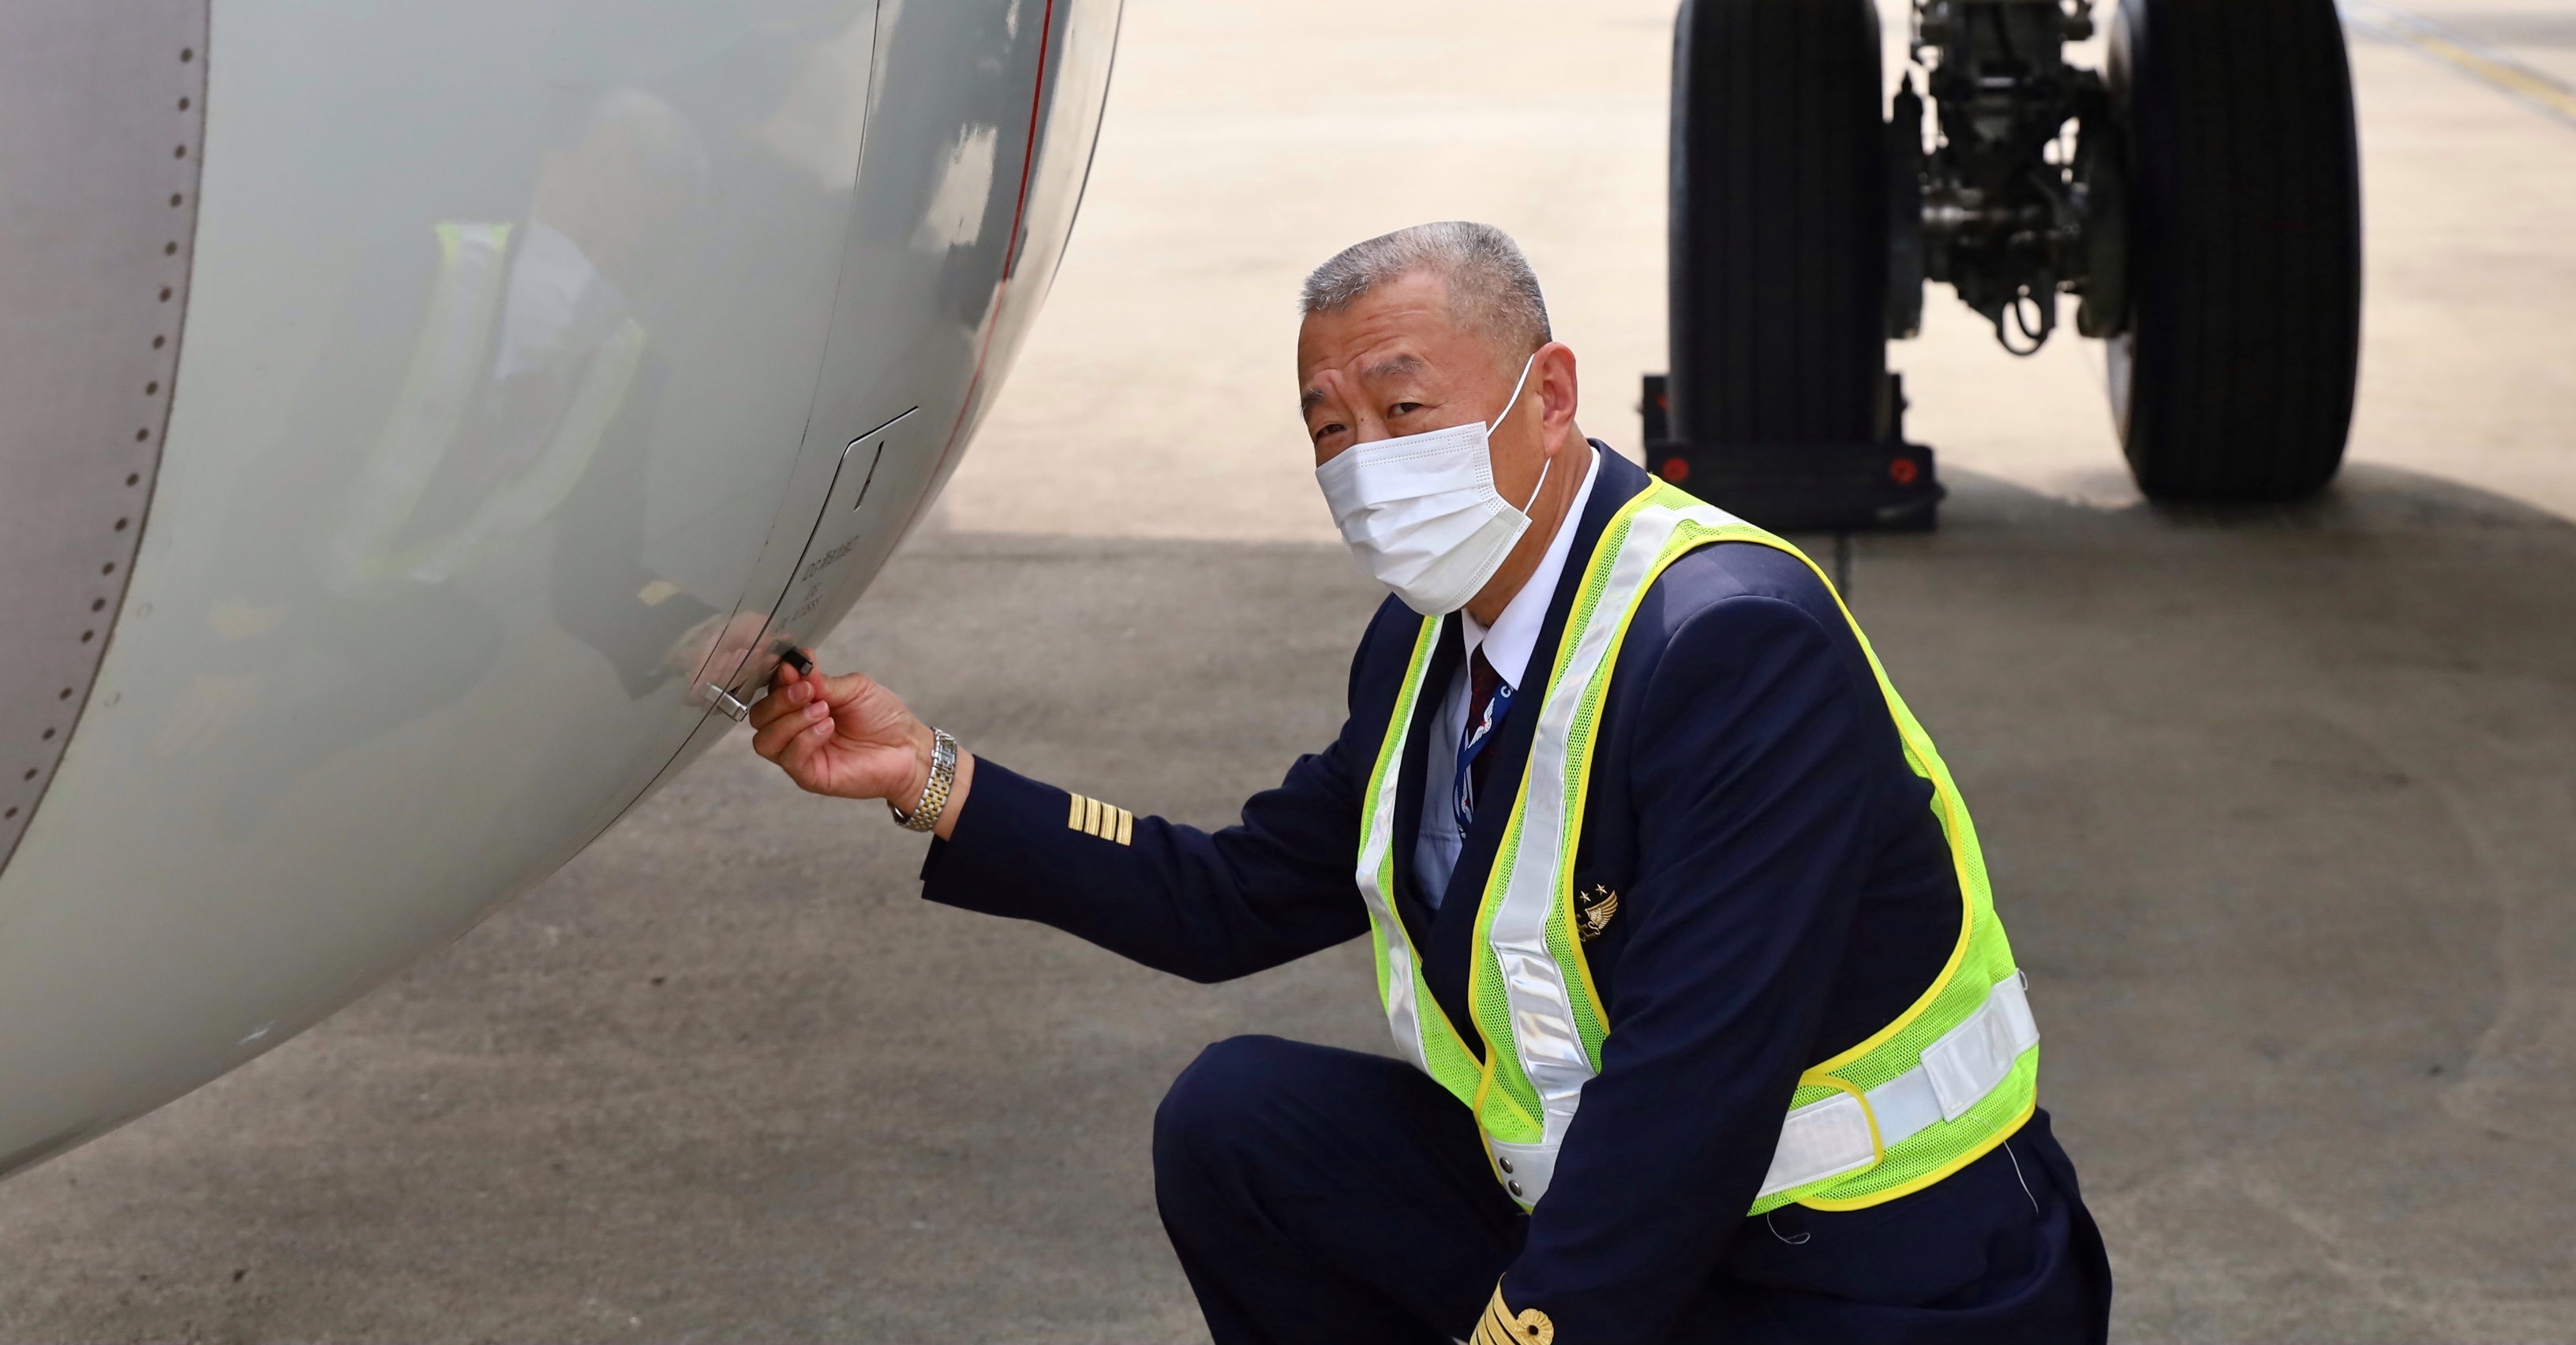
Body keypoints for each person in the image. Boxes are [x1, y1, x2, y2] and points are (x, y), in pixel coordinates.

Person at [748, 222, 2111, 1345]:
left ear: (1553, 395)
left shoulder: (1730, 640)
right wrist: (929, 776)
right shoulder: (1430, 639)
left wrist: (1520, 1334)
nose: (1367, 465)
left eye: (1405, 408)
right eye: (1330, 430)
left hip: (1877, 1276)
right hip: (1646, 1233)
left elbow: (1691, 1093)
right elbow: (1233, 897)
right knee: (1243, 1125)